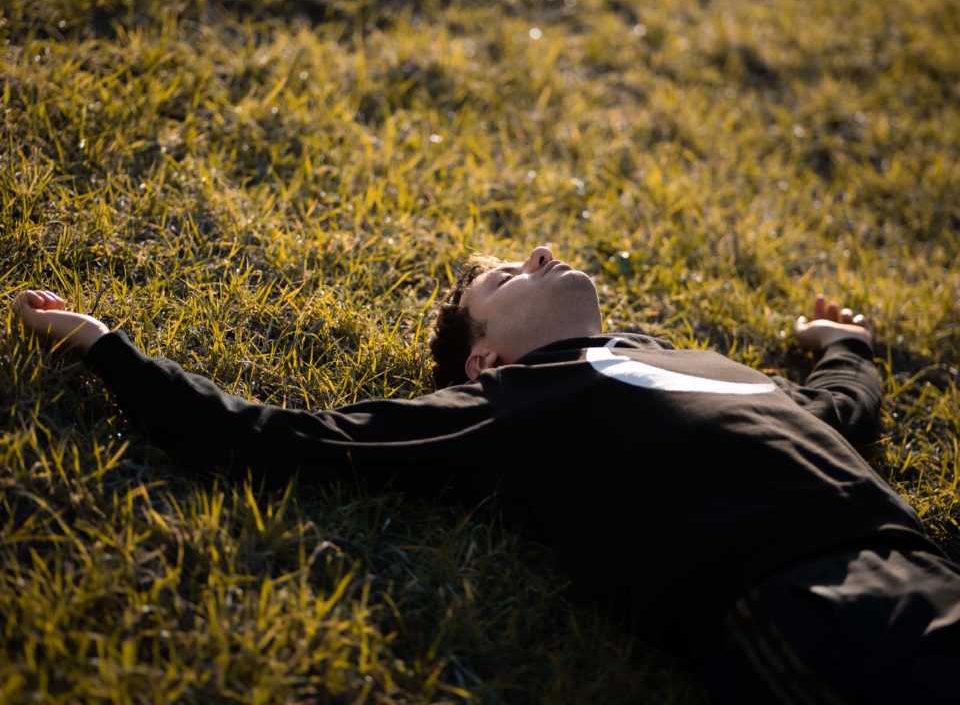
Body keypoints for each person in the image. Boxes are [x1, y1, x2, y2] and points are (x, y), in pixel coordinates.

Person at [11, 246, 960, 703]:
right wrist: (104, 347)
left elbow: (835, 412)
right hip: (815, 610)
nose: (538, 254)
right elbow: (283, 439)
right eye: (504, 278)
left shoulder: (689, 362)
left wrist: (842, 343)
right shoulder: (517, 402)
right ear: (483, 359)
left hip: (923, 569)